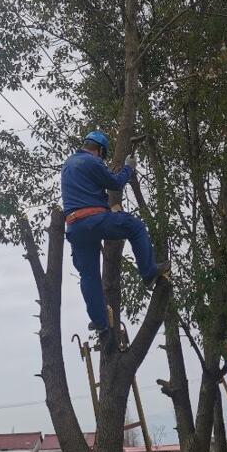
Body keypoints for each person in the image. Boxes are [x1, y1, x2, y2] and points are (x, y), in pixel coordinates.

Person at [61, 130, 170, 335]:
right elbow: (115, 183)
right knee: (135, 227)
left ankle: (101, 324)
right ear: (100, 150)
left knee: (89, 275)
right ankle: (148, 273)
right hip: (94, 220)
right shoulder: (91, 162)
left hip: (74, 227)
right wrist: (129, 168)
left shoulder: (68, 165)